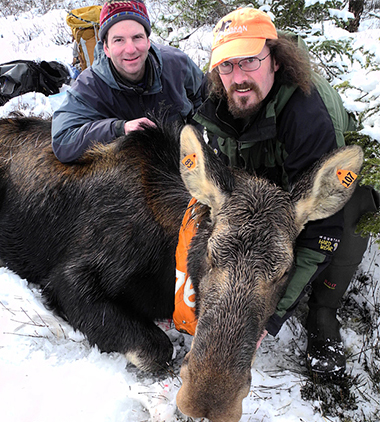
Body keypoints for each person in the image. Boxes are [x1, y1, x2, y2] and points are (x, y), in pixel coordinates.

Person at [194, 7, 379, 379]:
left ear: (275, 60)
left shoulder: (309, 115)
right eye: (227, 66)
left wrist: (273, 315)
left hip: (321, 175)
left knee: (346, 213)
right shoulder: (216, 102)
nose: (238, 77)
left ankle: (324, 310)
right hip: (267, 177)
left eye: (250, 61)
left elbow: (322, 229)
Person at [52, 0, 204, 163]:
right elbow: (63, 142)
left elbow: (206, 100)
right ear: (106, 48)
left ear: (147, 41)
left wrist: (194, 141)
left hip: (182, 161)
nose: (130, 49)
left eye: (137, 37)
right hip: (128, 174)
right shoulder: (89, 86)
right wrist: (119, 129)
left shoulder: (177, 65)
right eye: (119, 40)